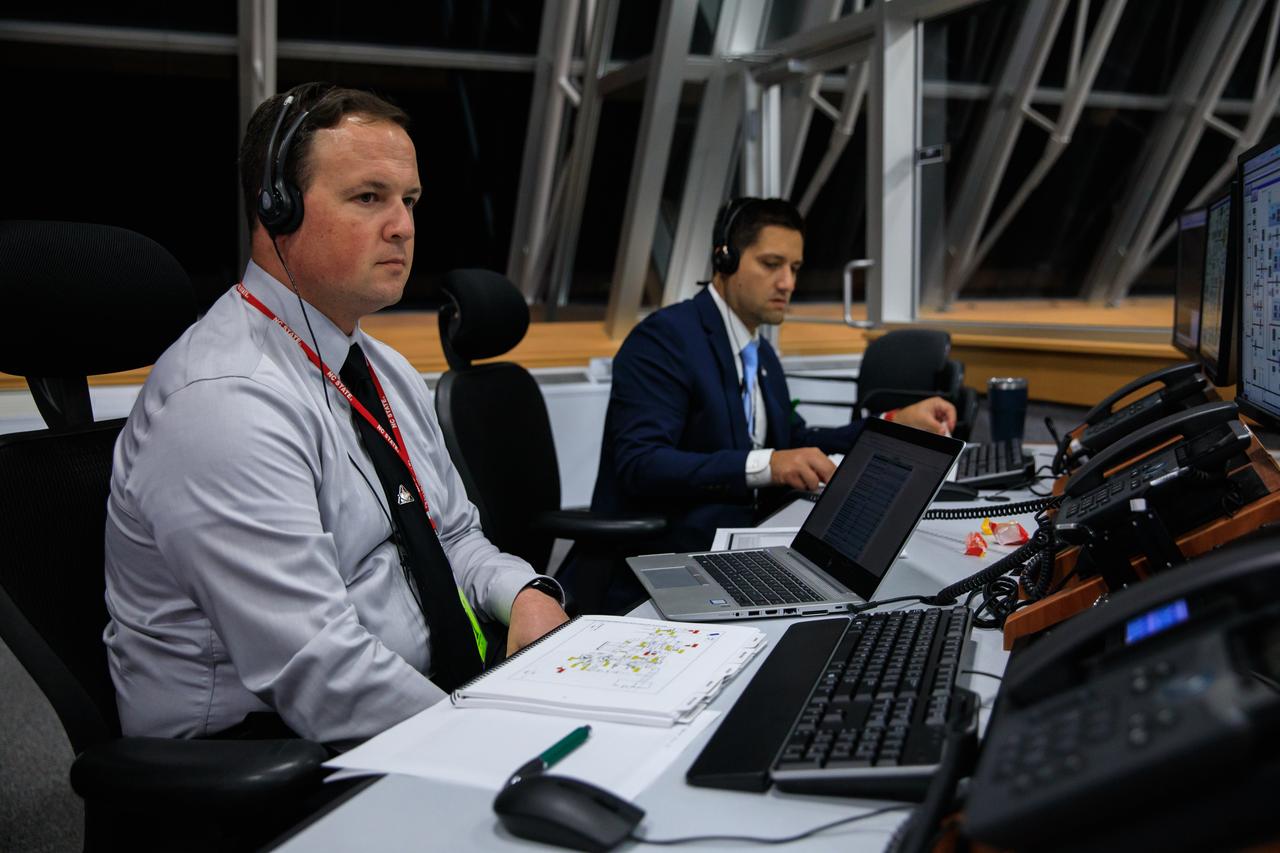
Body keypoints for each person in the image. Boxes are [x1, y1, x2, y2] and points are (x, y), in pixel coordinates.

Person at [103, 83, 568, 745]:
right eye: (368, 197)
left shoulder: (382, 369)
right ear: (276, 210)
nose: (403, 225)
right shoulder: (222, 401)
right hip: (266, 755)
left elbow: (454, 535)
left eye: (408, 200)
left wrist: (523, 592)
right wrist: (494, 739)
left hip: (423, 701)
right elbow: (318, 670)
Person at [590, 197, 956, 560]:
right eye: (771, 264)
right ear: (725, 259)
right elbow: (642, 463)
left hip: (747, 541)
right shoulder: (664, 339)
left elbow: (794, 441)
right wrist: (767, 465)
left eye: (795, 268)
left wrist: (892, 423)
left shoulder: (759, 351)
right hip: (666, 556)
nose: (787, 283)